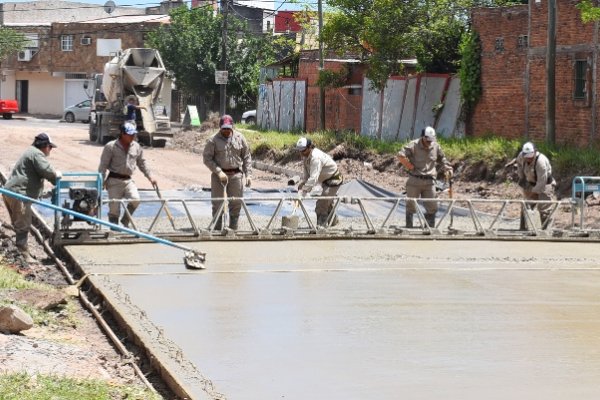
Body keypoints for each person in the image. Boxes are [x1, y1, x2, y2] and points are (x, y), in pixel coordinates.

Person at [2, 133, 62, 262]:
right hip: (19, 194)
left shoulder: (30, 152)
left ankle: (21, 253)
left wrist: (42, 193)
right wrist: (57, 177)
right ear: (44, 146)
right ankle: (24, 256)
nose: (50, 150)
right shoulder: (37, 154)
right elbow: (46, 171)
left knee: (19, 224)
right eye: (50, 147)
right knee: (23, 225)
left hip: (11, 192)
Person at [98, 122, 156, 228]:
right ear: (123, 134)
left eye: (134, 134)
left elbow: (142, 163)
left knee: (136, 200)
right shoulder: (111, 146)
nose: (133, 136)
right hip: (114, 180)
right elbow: (103, 166)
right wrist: (100, 182)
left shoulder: (136, 147)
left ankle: (125, 220)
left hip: (128, 181)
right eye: (130, 134)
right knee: (114, 208)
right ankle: (114, 228)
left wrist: (150, 177)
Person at [202, 114, 252, 230]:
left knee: (236, 203)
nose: (226, 131)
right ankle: (217, 230)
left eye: (228, 128)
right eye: (224, 128)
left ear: (232, 127)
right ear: (220, 128)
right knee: (217, 203)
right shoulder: (213, 140)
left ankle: (233, 229)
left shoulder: (240, 138)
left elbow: (246, 157)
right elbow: (207, 158)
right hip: (219, 176)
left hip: (236, 175)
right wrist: (218, 171)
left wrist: (248, 175)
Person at [397, 126, 453, 228]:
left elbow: (442, 159)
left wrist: (448, 167)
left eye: (431, 140)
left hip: (430, 182)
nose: (429, 143)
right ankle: (409, 228)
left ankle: (429, 229)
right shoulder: (413, 145)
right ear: (423, 137)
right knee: (411, 205)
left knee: (432, 206)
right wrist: (409, 166)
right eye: (427, 140)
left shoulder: (435, 146)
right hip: (415, 180)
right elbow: (400, 155)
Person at [295, 137, 344, 227]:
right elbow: (307, 174)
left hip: (334, 179)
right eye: (299, 151)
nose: (301, 153)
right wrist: (303, 183)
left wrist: (305, 190)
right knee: (327, 202)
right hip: (325, 181)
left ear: (310, 147)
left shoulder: (315, 158)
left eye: (303, 150)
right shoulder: (306, 156)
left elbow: (314, 178)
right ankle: (334, 221)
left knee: (321, 203)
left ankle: (322, 226)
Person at [516, 141, 555, 229]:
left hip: (545, 185)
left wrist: (533, 193)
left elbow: (542, 182)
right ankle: (523, 229)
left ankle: (545, 230)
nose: (528, 159)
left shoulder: (541, 162)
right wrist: (521, 175)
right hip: (531, 183)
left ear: (535, 152)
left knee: (544, 208)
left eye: (530, 157)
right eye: (526, 157)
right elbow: (518, 163)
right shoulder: (522, 156)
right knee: (526, 205)